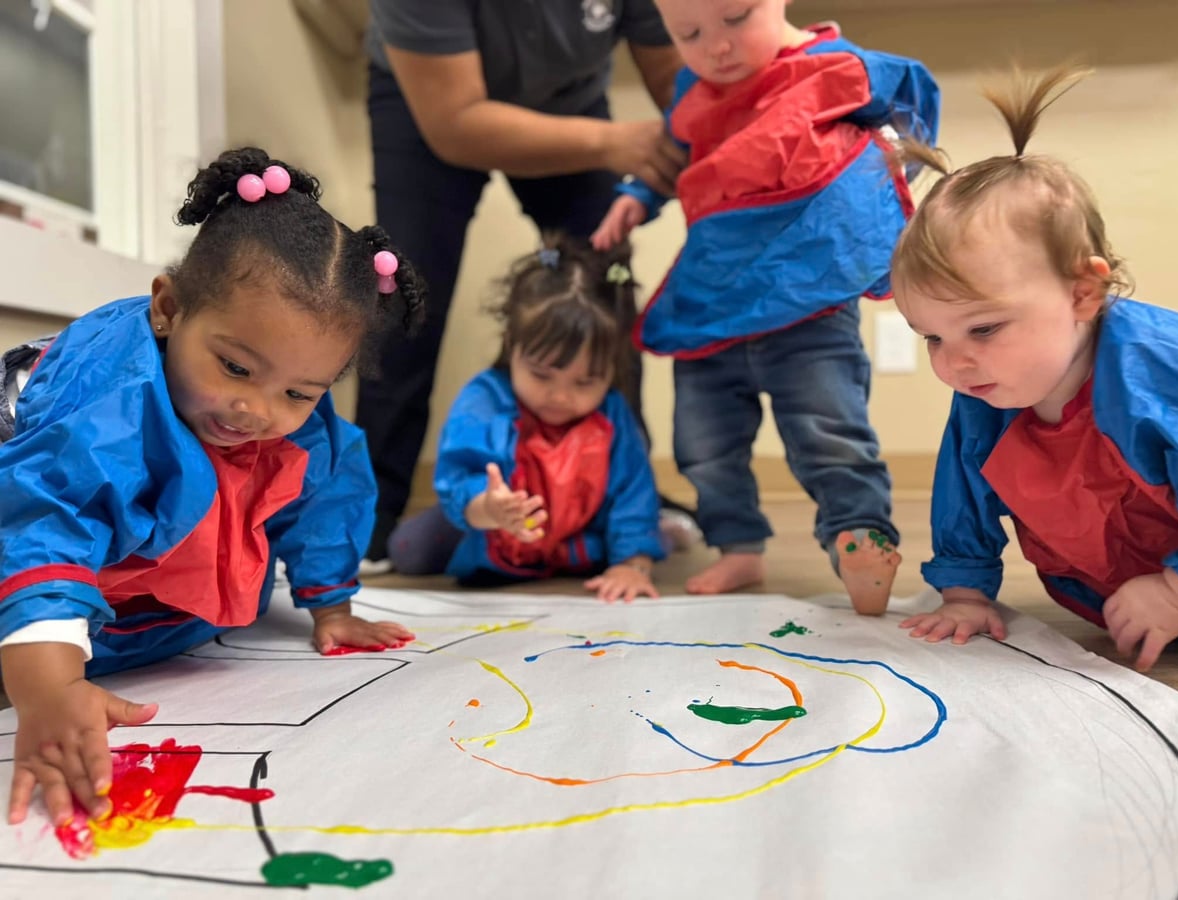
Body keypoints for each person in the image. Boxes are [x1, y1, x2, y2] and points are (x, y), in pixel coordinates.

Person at [0, 147, 424, 828]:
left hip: (158, 610)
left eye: (298, 390)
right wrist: (50, 688)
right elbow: (46, 515)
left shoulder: (297, 421)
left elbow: (326, 494)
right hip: (35, 545)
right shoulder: (111, 412)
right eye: (234, 366)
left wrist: (331, 606)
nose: (256, 408)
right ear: (168, 310)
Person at [591, 2, 939, 610]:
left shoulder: (837, 65)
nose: (716, 46)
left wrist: (890, 167)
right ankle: (739, 548)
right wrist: (636, 198)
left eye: (735, 18)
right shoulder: (689, 90)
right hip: (714, 302)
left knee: (830, 430)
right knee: (702, 443)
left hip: (808, 303)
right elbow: (671, 159)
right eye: (688, 34)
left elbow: (912, 101)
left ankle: (858, 537)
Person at [358, 0, 691, 569]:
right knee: (403, 300)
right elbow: (456, 124)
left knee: (607, 297)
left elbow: (677, 83)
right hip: (428, 108)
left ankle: (622, 496)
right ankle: (371, 509)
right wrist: (613, 144)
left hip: (573, 96)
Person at [891, 64, 1178, 672]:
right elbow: (965, 495)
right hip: (1120, 605)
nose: (954, 361)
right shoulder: (986, 393)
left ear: (1084, 294)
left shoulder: (1162, 376)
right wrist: (965, 593)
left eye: (983, 328)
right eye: (931, 336)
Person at [387, 234, 666, 602]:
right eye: (541, 374)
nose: (561, 396)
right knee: (407, 550)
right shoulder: (485, 400)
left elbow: (633, 492)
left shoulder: (611, 414)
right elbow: (461, 474)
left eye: (586, 381)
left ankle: (655, 536)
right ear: (511, 344)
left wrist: (632, 563)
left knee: (634, 537)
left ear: (612, 369)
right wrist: (486, 507)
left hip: (575, 535)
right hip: (489, 531)